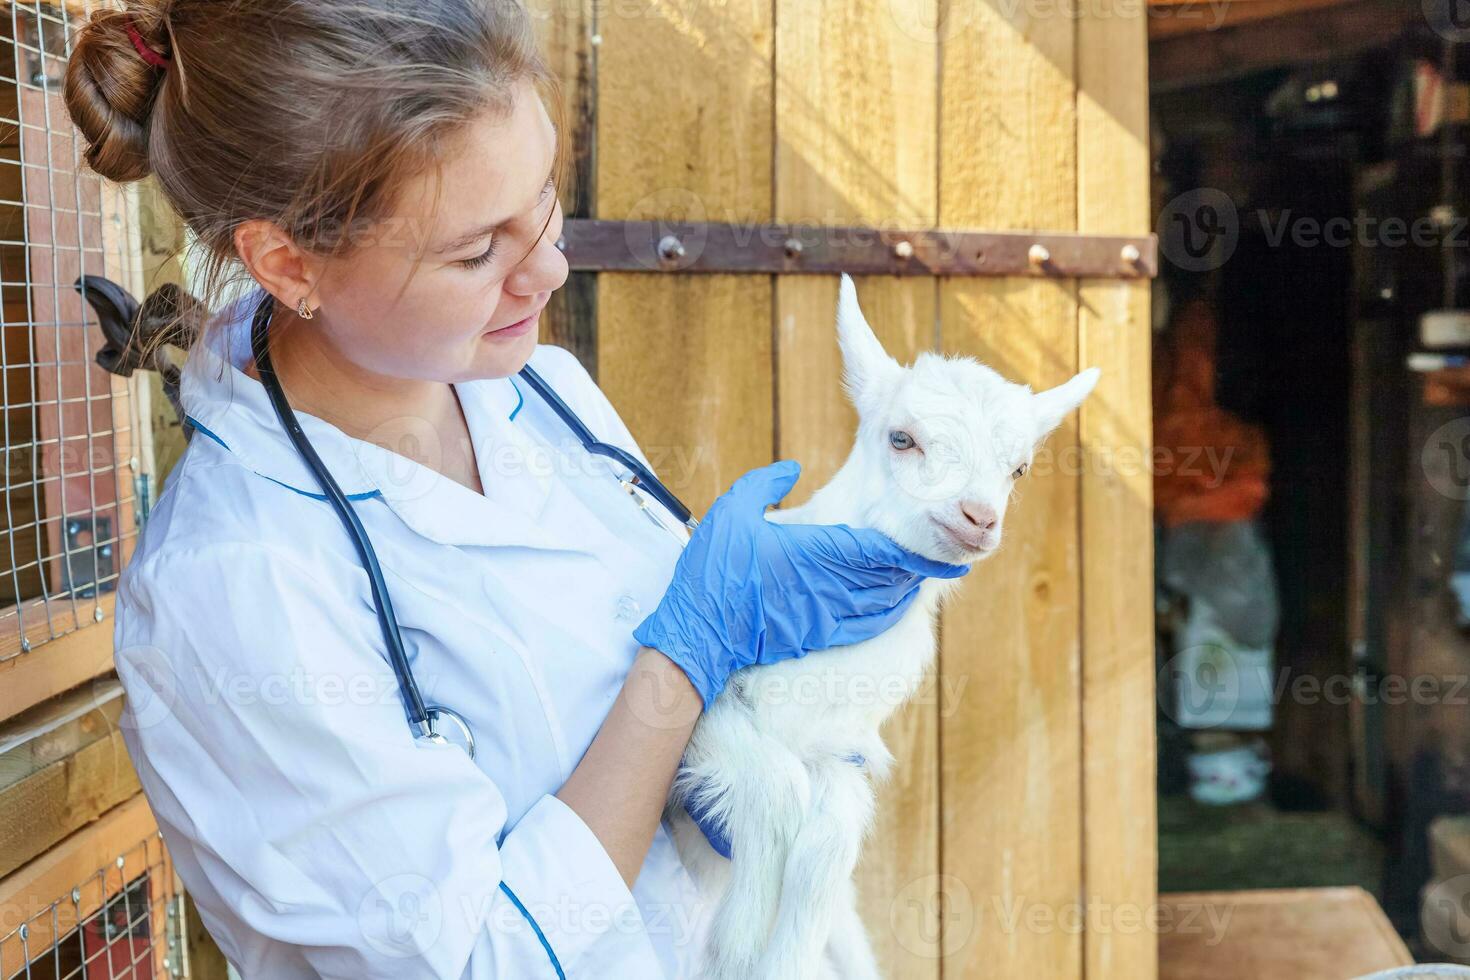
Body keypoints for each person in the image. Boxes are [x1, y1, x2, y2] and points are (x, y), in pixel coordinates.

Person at [63, 2, 968, 977]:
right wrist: (682, 667)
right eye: (475, 249)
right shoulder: (234, 591)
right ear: (289, 263)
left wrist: (762, 675)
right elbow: (475, 958)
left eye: (542, 194)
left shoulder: (534, 390)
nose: (550, 266)